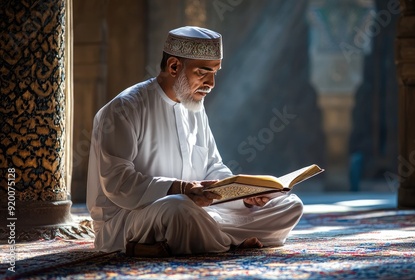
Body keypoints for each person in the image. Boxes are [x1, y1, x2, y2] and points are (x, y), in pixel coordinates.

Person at [86, 26, 304, 257]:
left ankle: (212, 240)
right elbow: (118, 184)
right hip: (132, 217)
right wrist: (180, 188)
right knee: (177, 210)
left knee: (289, 205)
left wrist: (244, 195)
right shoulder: (124, 109)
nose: (211, 83)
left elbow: (212, 167)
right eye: (203, 72)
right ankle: (227, 240)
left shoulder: (194, 107)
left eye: (215, 73)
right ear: (173, 67)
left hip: (198, 209)